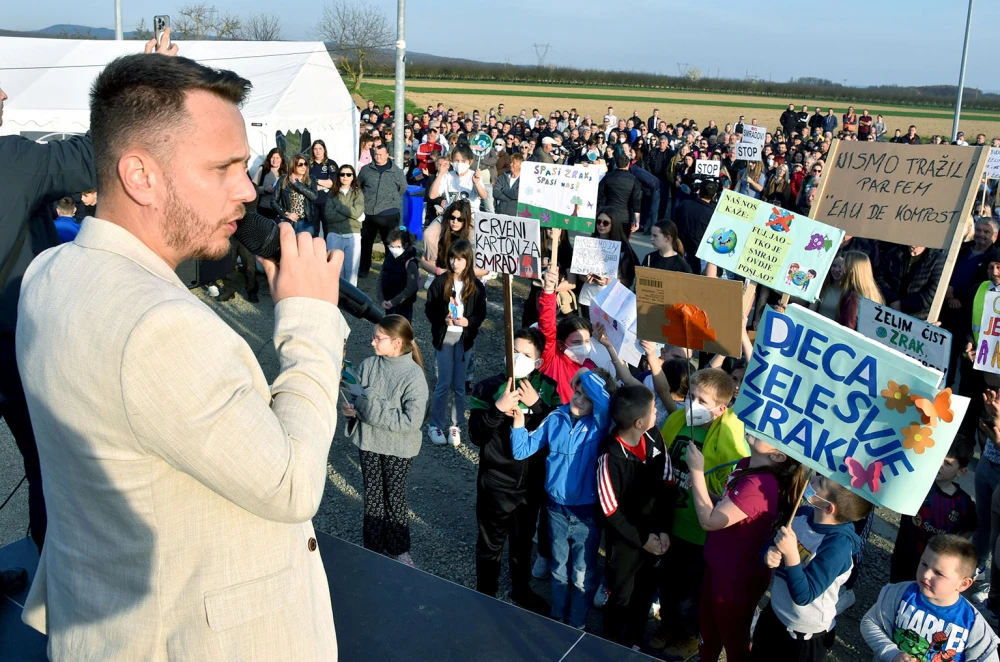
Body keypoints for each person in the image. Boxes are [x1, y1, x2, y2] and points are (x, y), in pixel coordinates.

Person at [16, 48, 351, 659]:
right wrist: (309, 323)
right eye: (223, 168)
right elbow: (292, 484)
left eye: (245, 167)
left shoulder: (47, 275)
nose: (247, 190)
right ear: (140, 174)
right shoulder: (160, 327)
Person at [650, 368, 748, 653]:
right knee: (668, 582)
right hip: (672, 520)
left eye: (702, 401)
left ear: (721, 408)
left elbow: (728, 494)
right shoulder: (678, 420)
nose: (693, 404)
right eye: (691, 396)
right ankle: (668, 625)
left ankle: (691, 635)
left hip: (700, 532)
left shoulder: (731, 438)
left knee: (693, 591)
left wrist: (699, 472)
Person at [510, 367, 615, 629]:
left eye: (587, 397)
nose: (579, 399)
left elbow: (604, 400)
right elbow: (522, 450)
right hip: (555, 510)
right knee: (558, 567)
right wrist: (519, 425)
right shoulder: (555, 417)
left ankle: (577, 623)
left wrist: (583, 373)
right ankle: (558, 618)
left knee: (582, 574)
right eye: (577, 392)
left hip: (586, 515)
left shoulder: (601, 426)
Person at [687, 433, 807, 662]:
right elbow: (729, 507)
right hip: (721, 567)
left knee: (734, 642)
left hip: (736, 578)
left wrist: (697, 472)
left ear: (778, 455)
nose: (759, 429)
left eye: (770, 434)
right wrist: (700, 489)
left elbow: (709, 521)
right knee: (708, 631)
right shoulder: (746, 465)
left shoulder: (760, 484)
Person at [468, 328, 560, 613]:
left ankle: (521, 589)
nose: (518, 358)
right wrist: (497, 409)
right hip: (496, 481)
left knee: (522, 542)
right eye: (514, 351)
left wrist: (538, 407)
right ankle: (485, 592)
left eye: (526, 355)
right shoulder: (487, 387)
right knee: (490, 542)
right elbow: (476, 436)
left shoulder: (548, 387)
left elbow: (556, 436)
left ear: (539, 362)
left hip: (532, 483)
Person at [749, 475, 874, 662]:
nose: (813, 480)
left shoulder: (838, 547)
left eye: (821, 482)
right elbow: (771, 543)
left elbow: (804, 595)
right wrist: (768, 554)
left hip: (804, 636)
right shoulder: (802, 515)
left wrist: (791, 554)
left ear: (829, 507)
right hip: (775, 613)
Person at [342, 315, 428, 568]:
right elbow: (356, 395)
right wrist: (351, 410)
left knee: (395, 498)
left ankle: (399, 549)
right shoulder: (369, 365)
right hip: (369, 442)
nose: (372, 342)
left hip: (399, 449)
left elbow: (411, 422)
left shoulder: (414, 376)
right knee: (373, 495)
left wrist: (366, 408)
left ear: (397, 342)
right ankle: (373, 547)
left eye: (378, 338)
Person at [597, 385, 675, 649]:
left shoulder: (655, 437)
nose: (657, 413)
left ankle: (634, 641)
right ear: (639, 422)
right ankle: (610, 642)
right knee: (621, 596)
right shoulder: (609, 456)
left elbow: (667, 483)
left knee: (644, 594)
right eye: (654, 410)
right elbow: (610, 510)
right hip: (626, 542)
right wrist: (642, 539)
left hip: (654, 536)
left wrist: (663, 530)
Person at [862, 535, 1000, 662]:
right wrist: (892, 653)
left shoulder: (973, 624)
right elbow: (870, 623)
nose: (926, 574)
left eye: (938, 573)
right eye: (924, 564)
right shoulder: (898, 593)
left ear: (963, 584)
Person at [425, 239, 486, 447]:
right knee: (443, 383)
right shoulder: (440, 282)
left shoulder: (476, 286)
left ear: (468, 260)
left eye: (460, 259)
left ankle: (456, 424)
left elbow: (481, 313)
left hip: (464, 338)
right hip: (445, 336)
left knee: (459, 385)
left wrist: (469, 321)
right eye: (452, 258)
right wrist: (443, 318)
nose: (455, 263)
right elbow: (429, 309)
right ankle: (435, 424)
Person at [889, 440, 976, 585]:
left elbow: (971, 526)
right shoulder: (915, 486)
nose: (939, 464)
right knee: (898, 589)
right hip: (903, 557)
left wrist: (954, 547)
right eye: (938, 457)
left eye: (948, 463)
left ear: (961, 471)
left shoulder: (963, 504)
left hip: (934, 566)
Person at [357, 142, 407, 278]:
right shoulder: (366, 170)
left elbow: (402, 188)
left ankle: (389, 269)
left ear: (387, 155)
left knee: (390, 244)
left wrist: (389, 200)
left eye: (381, 155)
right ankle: (364, 268)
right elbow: (359, 185)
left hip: (389, 214)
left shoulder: (396, 171)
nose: (378, 157)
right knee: (366, 243)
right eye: (376, 154)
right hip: (368, 214)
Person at [578, 208, 638, 317]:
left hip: (612, 301)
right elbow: (579, 272)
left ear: (613, 224)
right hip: (588, 298)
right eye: (598, 221)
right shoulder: (588, 243)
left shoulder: (624, 249)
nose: (601, 225)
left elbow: (628, 280)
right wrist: (585, 278)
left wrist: (608, 281)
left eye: (605, 223)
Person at [522, 226, 576, 328]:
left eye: (558, 228)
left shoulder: (567, 251)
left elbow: (572, 282)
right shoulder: (536, 246)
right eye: (549, 227)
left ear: (562, 230)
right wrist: (539, 266)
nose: (553, 230)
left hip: (554, 302)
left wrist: (549, 286)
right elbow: (525, 272)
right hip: (534, 300)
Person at [876, 244, 946, 321]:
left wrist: (903, 304)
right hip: (891, 312)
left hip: (919, 318)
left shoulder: (937, 259)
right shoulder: (894, 253)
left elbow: (934, 291)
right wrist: (893, 300)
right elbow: (880, 278)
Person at [323, 164, 364, 285]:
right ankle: (336, 296)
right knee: (335, 269)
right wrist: (349, 213)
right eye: (342, 174)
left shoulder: (358, 194)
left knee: (352, 270)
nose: (345, 177)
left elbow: (357, 213)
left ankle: (351, 299)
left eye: (348, 174)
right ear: (338, 176)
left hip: (353, 235)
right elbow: (329, 216)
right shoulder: (332, 194)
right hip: (335, 234)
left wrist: (339, 207)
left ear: (353, 177)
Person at [376, 228, 420, 320]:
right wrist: (382, 300)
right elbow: (380, 277)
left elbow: (411, 287)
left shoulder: (410, 263)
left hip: (403, 305)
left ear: (405, 245)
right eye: (391, 247)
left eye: (398, 247)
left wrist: (393, 302)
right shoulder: (389, 258)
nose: (393, 250)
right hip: (388, 302)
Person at [675, 181, 718, 274]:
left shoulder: (684, 204)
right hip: (698, 255)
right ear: (714, 195)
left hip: (680, 249)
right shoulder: (713, 214)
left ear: (699, 191)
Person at [429, 145, 489, 211]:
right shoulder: (447, 176)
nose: (459, 163)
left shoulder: (474, 175)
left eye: (463, 161)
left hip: (470, 213)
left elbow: (484, 196)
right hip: (450, 214)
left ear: (470, 161)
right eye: (456, 161)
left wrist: (476, 183)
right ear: (452, 161)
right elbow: (432, 195)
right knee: (435, 222)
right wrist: (440, 174)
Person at [273, 155, 319, 235]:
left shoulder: (311, 179)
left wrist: (297, 183)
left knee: (305, 245)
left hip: (305, 221)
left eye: (305, 164)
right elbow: (273, 201)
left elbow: (314, 196)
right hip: (288, 221)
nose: (303, 167)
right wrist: (286, 213)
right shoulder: (283, 180)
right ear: (293, 165)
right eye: (300, 164)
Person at [836, 251, 883, 329]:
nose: (839, 269)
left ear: (851, 270)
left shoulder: (852, 298)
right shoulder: (872, 294)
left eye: (842, 265)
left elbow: (846, 330)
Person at [597, 154, 642, 234]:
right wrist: (637, 221)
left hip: (608, 215)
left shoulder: (608, 177)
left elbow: (598, 196)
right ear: (628, 164)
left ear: (616, 164)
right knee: (622, 243)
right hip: (624, 217)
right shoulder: (634, 180)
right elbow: (636, 201)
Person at [308, 139, 338, 235]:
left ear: (324, 150)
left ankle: (328, 249)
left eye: (320, 148)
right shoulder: (308, 164)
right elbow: (304, 182)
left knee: (328, 230)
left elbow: (332, 183)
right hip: (312, 203)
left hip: (327, 202)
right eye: (315, 149)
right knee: (313, 231)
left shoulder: (330, 164)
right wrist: (321, 184)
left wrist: (315, 181)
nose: (318, 151)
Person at [254, 147, 286, 219]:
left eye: (277, 158)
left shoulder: (286, 173)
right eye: (272, 157)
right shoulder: (262, 170)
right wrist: (265, 189)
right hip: (263, 208)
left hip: (279, 209)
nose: (275, 160)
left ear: (281, 159)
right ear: (269, 158)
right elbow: (253, 188)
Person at [810, 254, 844, 320]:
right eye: (834, 266)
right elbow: (811, 310)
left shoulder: (849, 293)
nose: (836, 270)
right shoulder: (823, 287)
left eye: (840, 266)